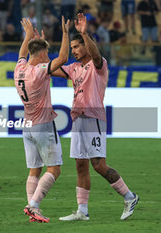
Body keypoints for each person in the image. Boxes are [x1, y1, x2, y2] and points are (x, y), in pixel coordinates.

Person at [50, 13, 139, 221]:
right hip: (78, 118)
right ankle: (82, 210)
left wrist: (83, 33)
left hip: (93, 118)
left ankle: (130, 196)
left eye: (76, 46)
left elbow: (96, 56)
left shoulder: (99, 65)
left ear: (86, 46)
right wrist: (63, 35)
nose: (73, 51)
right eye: (71, 47)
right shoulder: (73, 68)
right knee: (80, 165)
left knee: (98, 164)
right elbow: (51, 69)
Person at [14, 17, 70, 223]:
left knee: (34, 169)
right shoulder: (39, 71)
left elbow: (22, 53)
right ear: (43, 54)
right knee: (54, 169)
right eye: (47, 53)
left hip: (26, 125)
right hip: (43, 125)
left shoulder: (19, 69)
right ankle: (34, 205)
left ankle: (33, 211)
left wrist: (29, 35)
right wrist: (65, 32)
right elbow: (63, 58)